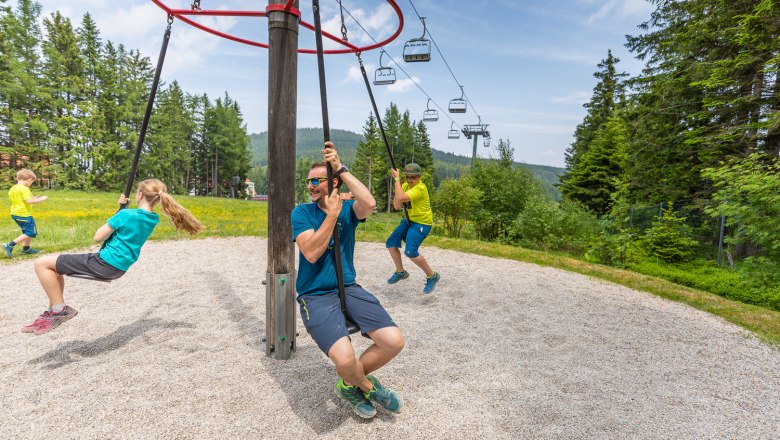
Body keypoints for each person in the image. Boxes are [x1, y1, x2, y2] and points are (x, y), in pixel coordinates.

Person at [292, 141, 405, 419]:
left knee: (393, 341)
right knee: (344, 359)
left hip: (348, 288)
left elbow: (370, 203)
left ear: (333, 183)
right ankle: (367, 386)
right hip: (315, 294)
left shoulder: (348, 210)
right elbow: (312, 253)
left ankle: (347, 383)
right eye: (309, 181)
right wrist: (330, 214)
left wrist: (341, 168)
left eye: (317, 180)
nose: (310, 186)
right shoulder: (302, 213)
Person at [21, 179, 204, 335]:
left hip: (103, 263)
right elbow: (132, 221)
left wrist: (119, 212)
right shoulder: (152, 218)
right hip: (118, 268)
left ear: (139, 194)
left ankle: (59, 310)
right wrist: (122, 210)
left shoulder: (126, 215)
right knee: (55, 267)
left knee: (41, 264)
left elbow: (98, 236)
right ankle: (55, 309)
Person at [386, 163, 440, 294]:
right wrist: (397, 183)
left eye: (414, 177)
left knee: (410, 252)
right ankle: (401, 272)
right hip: (409, 221)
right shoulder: (404, 185)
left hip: (422, 223)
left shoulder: (421, 188)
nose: (410, 180)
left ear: (419, 177)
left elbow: (402, 197)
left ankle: (432, 276)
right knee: (391, 244)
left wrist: (397, 179)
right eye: (408, 177)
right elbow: (397, 206)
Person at [3, 169, 48, 258]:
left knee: (27, 232)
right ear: (29, 179)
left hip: (15, 213)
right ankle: (9, 245)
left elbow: (21, 199)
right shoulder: (24, 188)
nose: (31, 184)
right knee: (31, 232)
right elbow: (29, 201)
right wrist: (41, 198)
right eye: (32, 182)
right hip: (24, 214)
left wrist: (33, 197)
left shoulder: (14, 188)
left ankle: (26, 248)